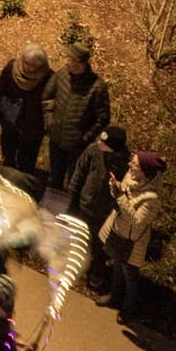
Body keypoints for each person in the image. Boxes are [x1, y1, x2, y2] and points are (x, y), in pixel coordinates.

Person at [99, 150, 165, 323]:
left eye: (134, 164)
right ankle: (114, 297)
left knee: (130, 276)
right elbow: (123, 195)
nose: (130, 165)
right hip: (119, 231)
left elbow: (137, 221)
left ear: (145, 171)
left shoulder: (152, 198)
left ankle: (129, 309)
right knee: (116, 267)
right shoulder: (131, 176)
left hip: (132, 241)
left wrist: (120, 197)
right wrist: (115, 187)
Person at [65, 124, 129, 295]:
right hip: (85, 204)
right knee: (79, 236)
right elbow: (79, 172)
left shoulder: (124, 164)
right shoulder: (93, 150)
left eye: (104, 142)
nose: (99, 142)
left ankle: (96, 270)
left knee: (99, 245)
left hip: (104, 212)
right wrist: (71, 195)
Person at [41, 39, 110, 191]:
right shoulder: (61, 74)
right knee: (55, 177)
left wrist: (84, 138)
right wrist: (50, 120)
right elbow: (47, 97)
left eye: (70, 59)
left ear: (80, 64)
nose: (66, 62)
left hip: (77, 146)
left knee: (72, 182)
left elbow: (103, 119)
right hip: (56, 139)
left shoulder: (97, 87)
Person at [0, 43, 51, 176]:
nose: (29, 68)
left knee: (27, 162)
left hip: (33, 127)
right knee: (9, 153)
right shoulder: (11, 69)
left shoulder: (49, 77)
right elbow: (0, 89)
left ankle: (22, 182)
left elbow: (51, 103)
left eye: (33, 66)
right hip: (11, 121)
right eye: (27, 63)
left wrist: (47, 125)